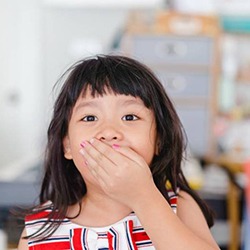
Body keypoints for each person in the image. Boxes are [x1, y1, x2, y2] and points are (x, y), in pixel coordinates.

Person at [18, 54, 219, 250]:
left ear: (159, 140)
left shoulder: (178, 206)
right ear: (67, 146)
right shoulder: (39, 232)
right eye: (89, 118)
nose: (109, 132)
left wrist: (143, 196)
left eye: (130, 117)